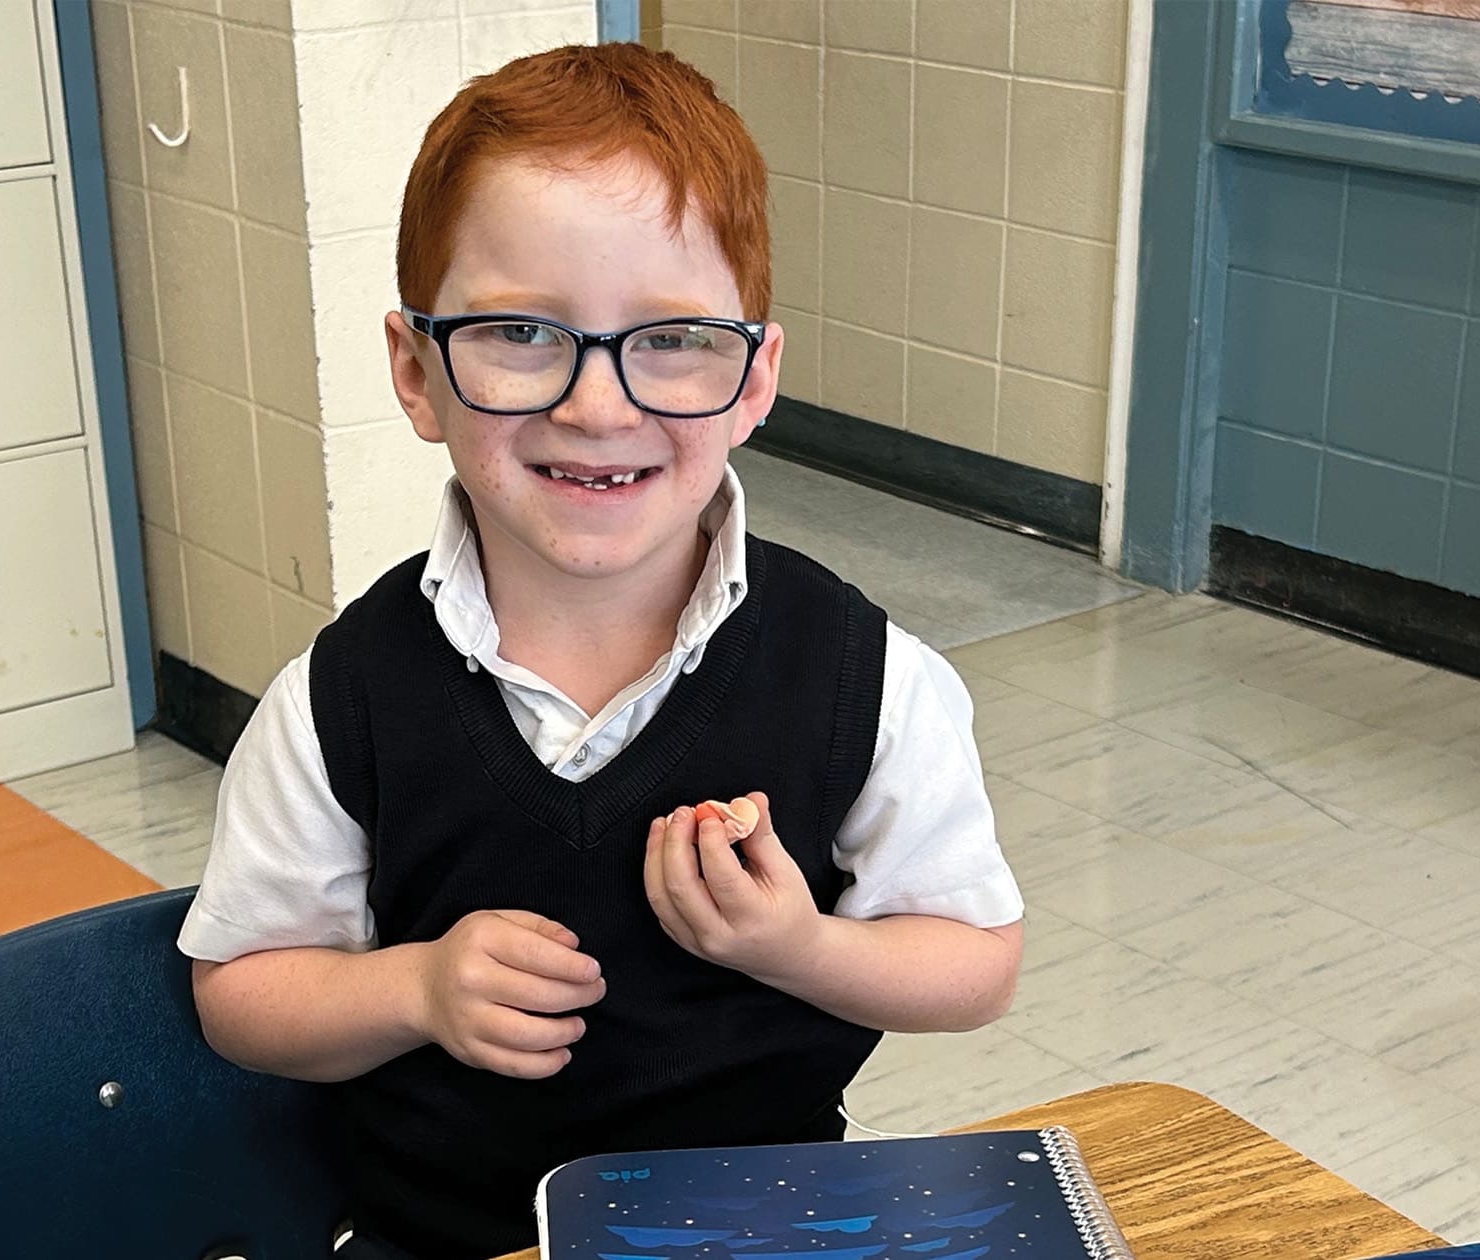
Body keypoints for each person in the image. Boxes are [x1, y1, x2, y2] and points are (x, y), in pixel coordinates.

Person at [181, 42, 1025, 1260]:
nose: (599, 405)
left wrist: (805, 948)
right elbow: (242, 995)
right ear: (418, 373)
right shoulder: (338, 700)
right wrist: (411, 990)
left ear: (754, 381)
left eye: (675, 338)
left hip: (770, 1237)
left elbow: (976, 967)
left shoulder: (868, 680)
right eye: (522, 331)